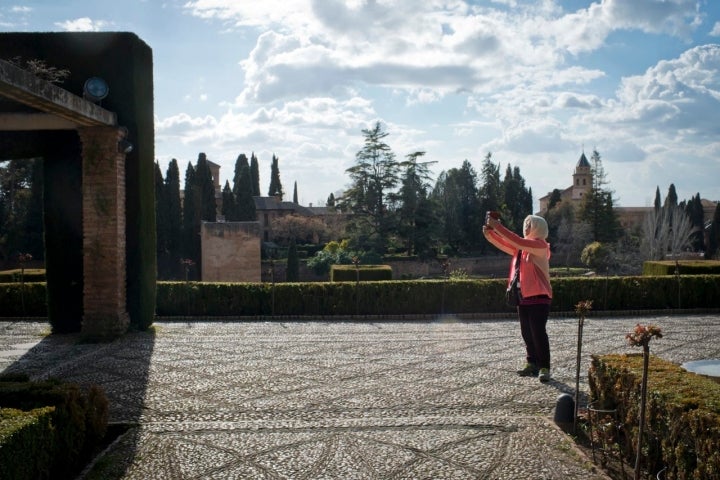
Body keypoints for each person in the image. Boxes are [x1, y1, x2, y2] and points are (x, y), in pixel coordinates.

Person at [483, 214, 553, 382]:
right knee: (527, 333)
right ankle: (532, 363)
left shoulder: (540, 246)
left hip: (540, 297)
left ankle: (544, 366)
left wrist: (497, 226)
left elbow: (516, 241)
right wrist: (489, 234)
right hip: (523, 297)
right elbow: (506, 244)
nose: (526, 227)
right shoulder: (522, 249)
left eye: (529, 224)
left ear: (538, 227)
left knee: (538, 332)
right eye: (526, 224)